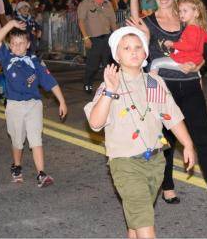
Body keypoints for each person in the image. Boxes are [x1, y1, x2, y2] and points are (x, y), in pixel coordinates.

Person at [127, 0, 207, 208]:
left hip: (189, 85)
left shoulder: (187, 18)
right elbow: (136, 37)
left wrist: (197, 65)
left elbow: (201, 52)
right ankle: (167, 186)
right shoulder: (148, 21)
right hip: (162, 88)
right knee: (166, 138)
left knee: (202, 136)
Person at [84, 26, 196, 238]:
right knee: (144, 222)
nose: (133, 51)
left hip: (155, 161)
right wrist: (109, 91)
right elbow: (95, 123)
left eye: (138, 47)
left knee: (137, 221)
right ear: (117, 55)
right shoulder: (111, 84)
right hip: (125, 163)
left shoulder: (154, 82)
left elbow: (171, 116)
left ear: (145, 53)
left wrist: (188, 144)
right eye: (126, 48)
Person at [0, 19, 68, 187]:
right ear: (10, 45)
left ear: (28, 44)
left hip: (34, 105)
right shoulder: (6, 58)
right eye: (14, 43)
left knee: (36, 140)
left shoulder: (35, 62)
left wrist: (62, 101)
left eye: (21, 43)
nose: (18, 46)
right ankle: (17, 166)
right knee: (17, 141)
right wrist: (11, 23)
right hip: (14, 105)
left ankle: (41, 174)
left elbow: (51, 82)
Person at [150, 0, 207, 73]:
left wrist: (172, 44)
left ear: (196, 13)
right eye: (180, 11)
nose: (181, 14)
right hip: (193, 59)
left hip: (184, 59)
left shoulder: (191, 28)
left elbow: (190, 46)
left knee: (155, 63)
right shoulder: (200, 29)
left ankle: (151, 85)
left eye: (185, 11)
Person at [77, 0, 117, 93]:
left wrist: (117, 37)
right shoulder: (85, 4)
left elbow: (113, 22)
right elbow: (81, 22)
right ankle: (87, 84)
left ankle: (108, 87)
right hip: (94, 39)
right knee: (92, 66)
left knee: (108, 65)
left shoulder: (107, 3)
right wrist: (86, 38)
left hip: (108, 38)